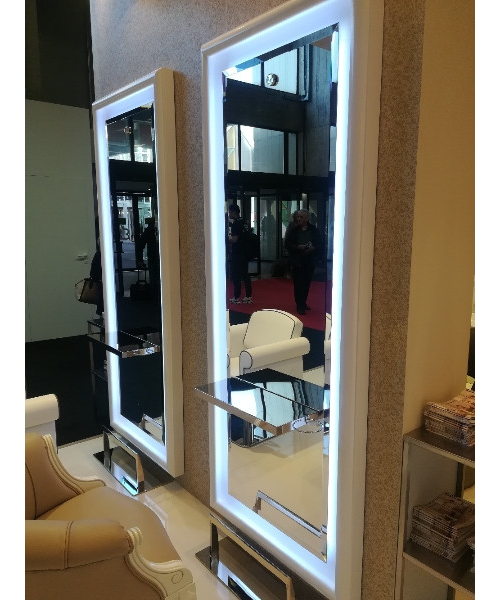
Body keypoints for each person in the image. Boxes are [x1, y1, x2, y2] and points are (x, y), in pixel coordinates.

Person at [285, 209, 321, 315]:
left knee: (306, 283)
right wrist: (298, 247)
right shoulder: (293, 230)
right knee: (298, 284)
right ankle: (299, 305)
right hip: (297, 260)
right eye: (298, 217)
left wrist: (313, 248)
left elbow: (319, 243)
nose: (299, 219)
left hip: (309, 260)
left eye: (301, 217)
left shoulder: (313, 230)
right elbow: (287, 244)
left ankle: (304, 302)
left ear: (307, 218)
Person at [227, 204, 252, 304]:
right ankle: (248, 296)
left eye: (230, 212)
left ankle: (236, 296)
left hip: (237, 252)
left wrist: (226, 239)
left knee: (236, 275)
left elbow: (234, 239)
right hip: (245, 252)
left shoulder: (236, 224)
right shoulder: (244, 222)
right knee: (245, 274)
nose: (229, 214)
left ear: (234, 212)